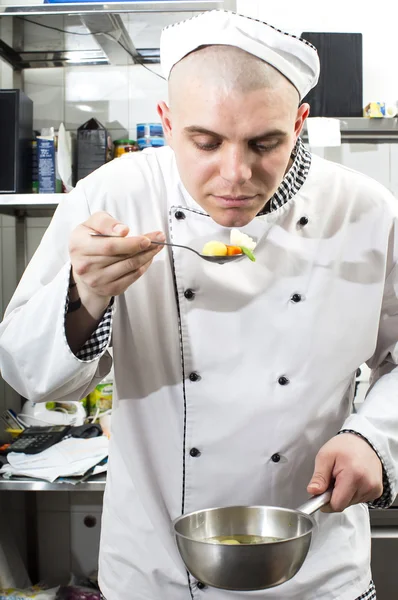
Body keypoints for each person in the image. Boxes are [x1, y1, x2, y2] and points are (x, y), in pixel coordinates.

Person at [0, 9, 396, 600]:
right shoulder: (115, 195)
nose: (234, 175)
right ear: (166, 120)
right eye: (205, 142)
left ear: (300, 121)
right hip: (155, 569)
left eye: (265, 143)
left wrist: (374, 439)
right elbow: (28, 372)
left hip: (317, 566)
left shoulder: (365, 209)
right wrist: (86, 294)